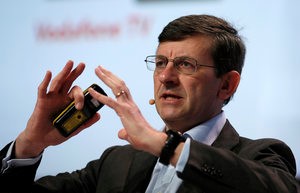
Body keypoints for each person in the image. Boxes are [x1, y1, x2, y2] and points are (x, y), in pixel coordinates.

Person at [0, 14, 299, 193]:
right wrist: (29, 145)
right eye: (160, 63)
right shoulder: (115, 162)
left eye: (185, 64)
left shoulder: (262, 156)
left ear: (226, 84)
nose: (166, 76)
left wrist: (165, 146)